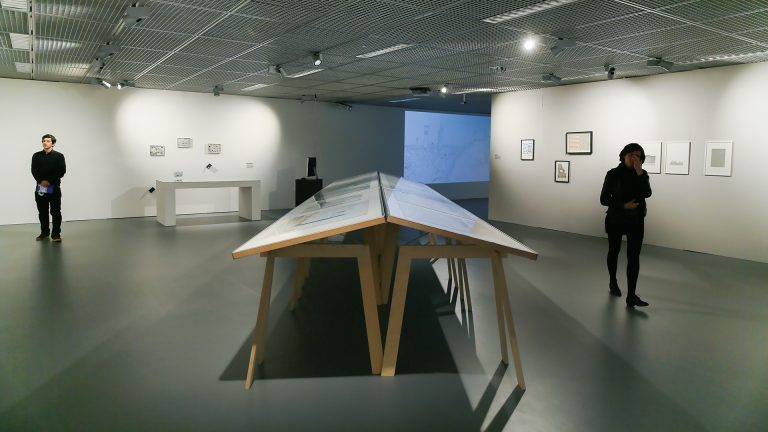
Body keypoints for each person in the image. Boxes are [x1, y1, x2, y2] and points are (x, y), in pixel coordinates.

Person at [600, 143, 652, 308]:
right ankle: (613, 282)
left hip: (636, 221)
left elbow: (647, 193)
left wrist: (639, 172)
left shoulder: (642, 175)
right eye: (631, 155)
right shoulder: (613, 174)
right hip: (616, 219)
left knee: (634, 257)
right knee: (614, 251)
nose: (634, 158)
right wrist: (623, 206)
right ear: (623, 156)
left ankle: (631, 295)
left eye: (638, 156)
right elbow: (603, 199)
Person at [31, 133, 66, 242]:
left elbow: (61, 171)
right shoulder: (36, 156)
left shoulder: (59, 156)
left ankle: (56, 234)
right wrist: (41, 181)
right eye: (43, 140)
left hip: (54, 187)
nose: (45, 142)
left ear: (53, 143)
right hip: (41, 187)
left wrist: (49, 181)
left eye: (48, 141)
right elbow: (34, 170)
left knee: (55, 211)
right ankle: (44, 232)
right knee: (42, 211)